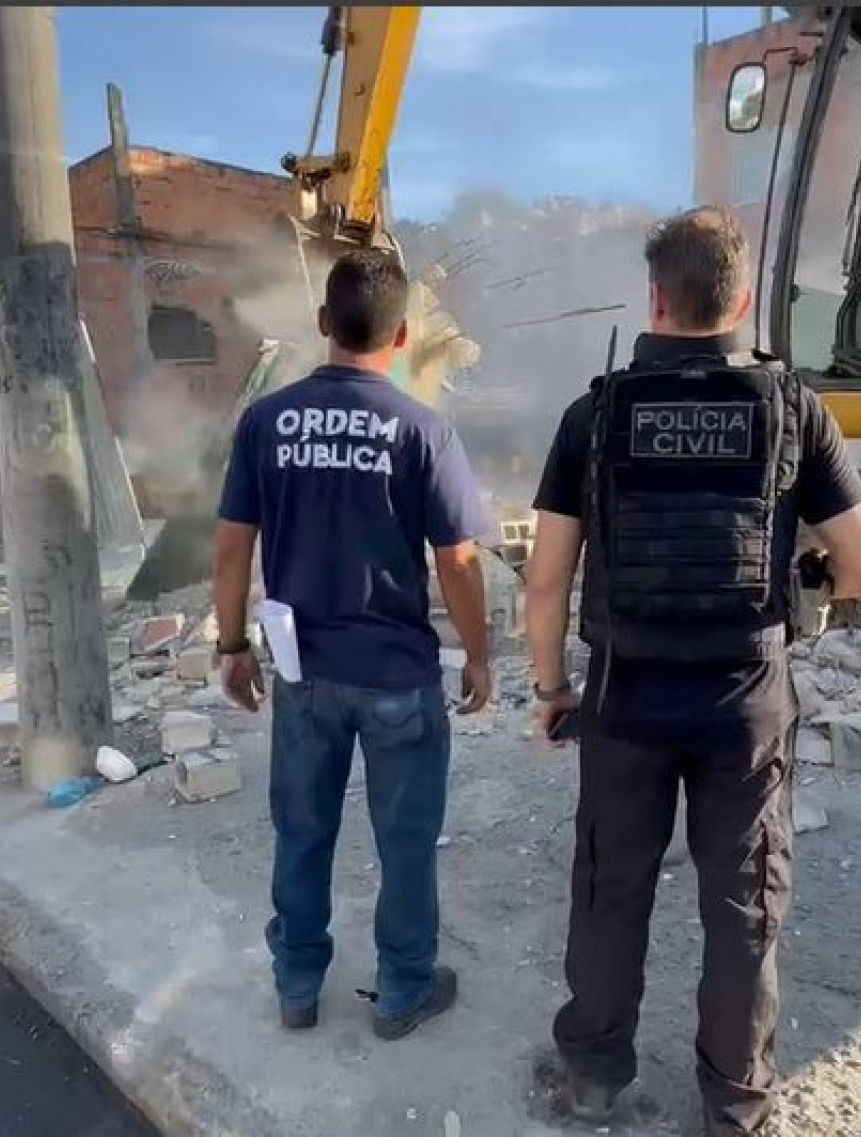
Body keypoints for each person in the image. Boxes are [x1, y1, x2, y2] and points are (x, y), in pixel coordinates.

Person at [523, 208, 861, 1134]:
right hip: (745, 700)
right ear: (741, 298)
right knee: (743, 904)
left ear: (656, 297)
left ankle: (594, 1077)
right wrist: (812, 587)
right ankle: (735, 1103)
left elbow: (545, 578)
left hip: (624, 693)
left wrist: (549, 687)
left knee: (613, 890)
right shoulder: (792, 407)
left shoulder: (596, 413)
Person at [212, 248, 495, 1041]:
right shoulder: (423, 429)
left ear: (322, 324)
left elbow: (232, 546)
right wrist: (478, 655)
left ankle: (297, 984)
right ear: (403, 335)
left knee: (302, 832)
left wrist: (233, 644)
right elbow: (461, 561)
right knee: (405, 844)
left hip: (304, 676)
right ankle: (403, 989)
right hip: (398, 677)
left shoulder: (266, 420)